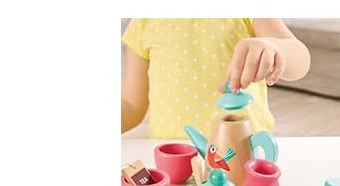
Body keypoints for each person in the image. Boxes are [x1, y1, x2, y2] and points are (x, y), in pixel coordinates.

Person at [121, 18, 310, 137]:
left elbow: (301, 60)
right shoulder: (144, 21)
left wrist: (275, 47)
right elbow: (131, 104)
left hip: (245, 152)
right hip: (170, 158)